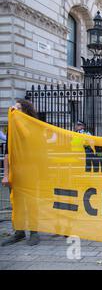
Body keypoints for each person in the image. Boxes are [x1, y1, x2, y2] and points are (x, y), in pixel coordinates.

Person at [1, 99, 40, 246]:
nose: (13, 109)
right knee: (16, 203)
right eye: (13, 107)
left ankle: (34, 232)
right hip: (16, 172)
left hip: (31, 171)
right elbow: (7, 153)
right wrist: (6, 175)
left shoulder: (33, 127)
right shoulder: (12, 129)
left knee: (31, 201)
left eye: (18, 108)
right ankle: (19, 232)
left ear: (26, 111)